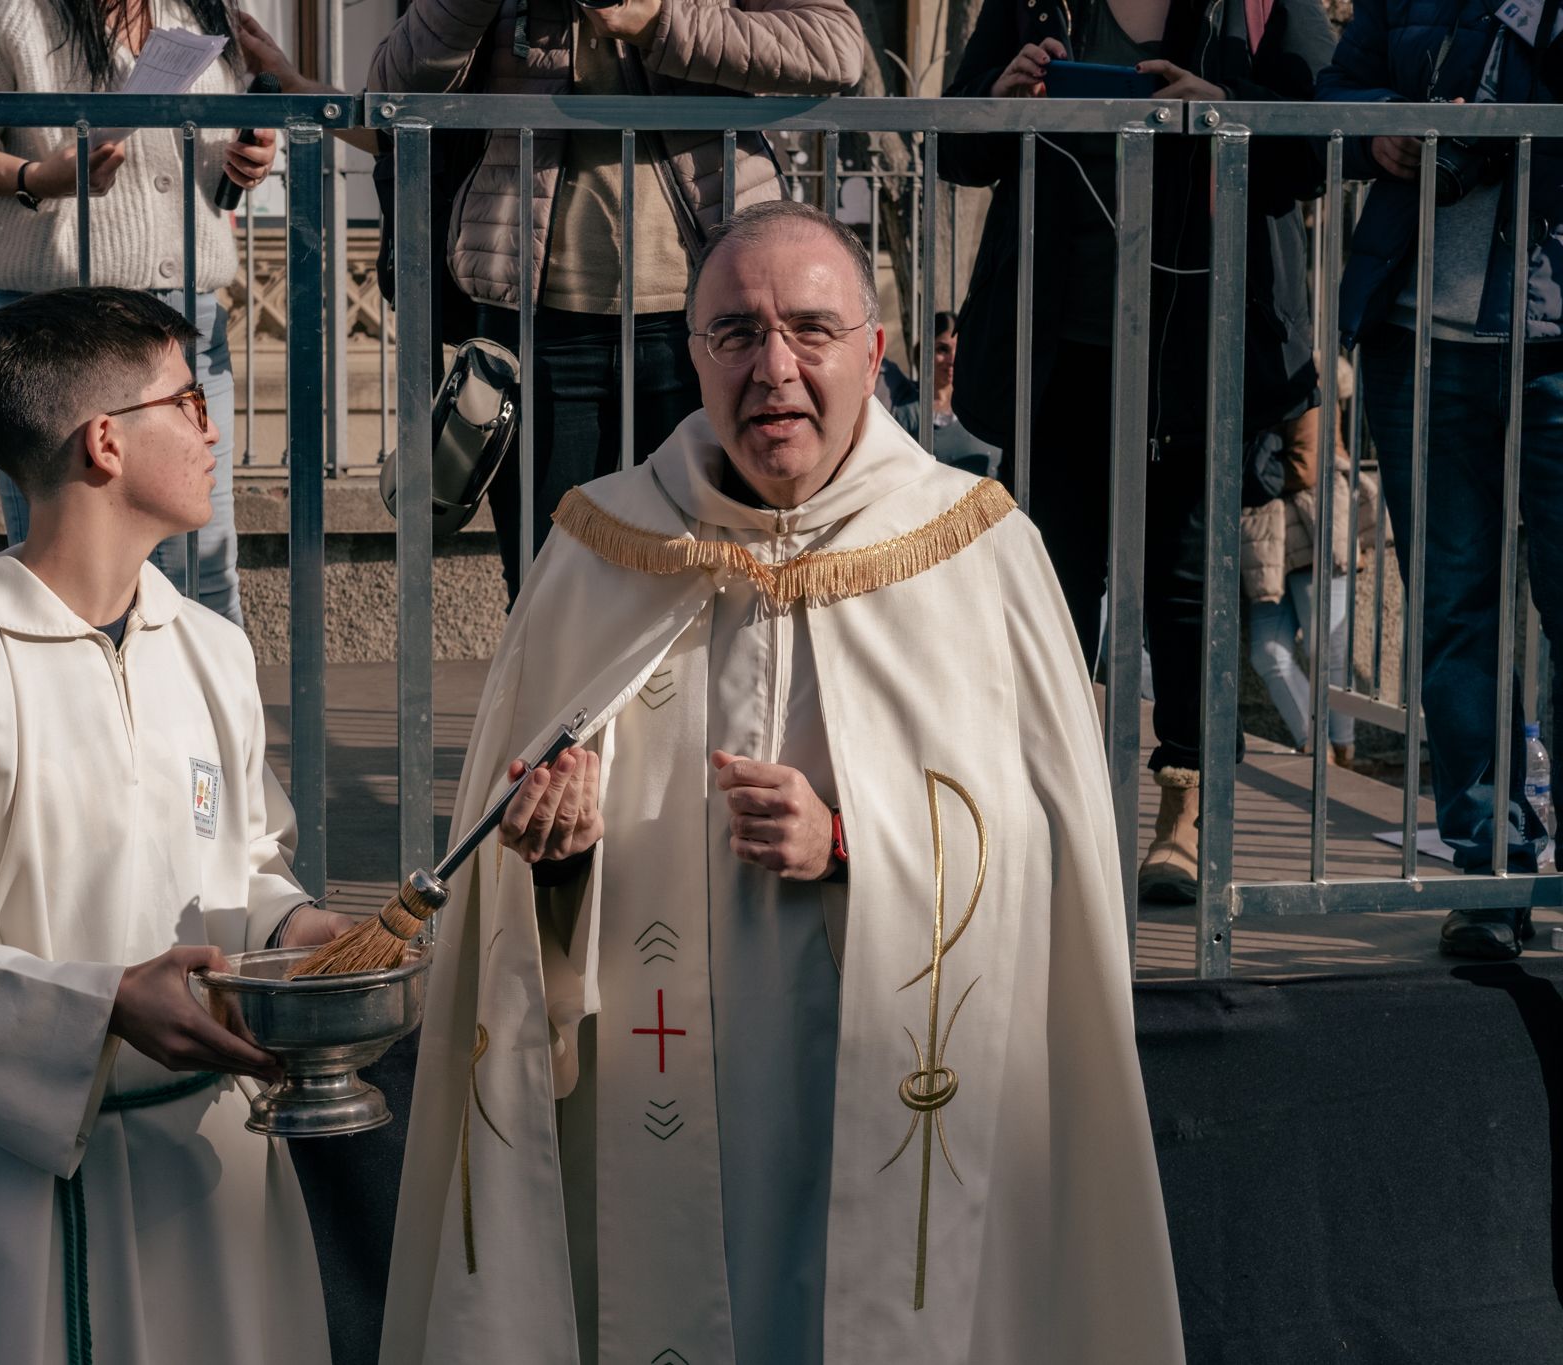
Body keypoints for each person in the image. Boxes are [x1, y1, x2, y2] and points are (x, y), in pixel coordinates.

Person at [381, 202, 1184, 1364]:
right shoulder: (599, 549)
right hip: (655, 1084)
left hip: (884, 1062)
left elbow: (1051, 856)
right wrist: (556, 852)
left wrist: (852, 839)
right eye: (735, 334)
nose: (774, 369)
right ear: (690, 353)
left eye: (810, 329)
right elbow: (511, 874)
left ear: (873, 349)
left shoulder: (973, 547)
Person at [0, 288, 353, 1363]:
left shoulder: (206, 648)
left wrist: (292, 933)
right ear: (105, 441)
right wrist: (102, 1005)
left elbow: (244, 853)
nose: (212, 429)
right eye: (189, 400)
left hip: (220, 1164)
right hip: (42, 1190)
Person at [940, 0, 1335, 903]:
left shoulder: (1262, 7)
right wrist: (1003, 103)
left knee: (1190, 593)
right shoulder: (1037, 1)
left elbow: (1314, 147)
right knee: (1047, 592)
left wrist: (1222, 108)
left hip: (1198, 347)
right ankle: (1039, 809)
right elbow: (956, 148)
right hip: (1057, 349)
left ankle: (1186, 813)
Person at [365, 0, 864, 602]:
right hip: (537, 323)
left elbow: (834, 47)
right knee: (551, 585)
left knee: (722, 580)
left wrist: (660, 22)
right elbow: (392, 87)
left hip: (714, 324)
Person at [0, 0, 277, 625]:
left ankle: (200, 723)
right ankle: (80, 719)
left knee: (201, 567)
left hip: (184, 324)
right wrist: (36, 177)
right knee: (74, 575)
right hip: (53, 327)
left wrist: (246, 158)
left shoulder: (203, 9)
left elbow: (206, 144)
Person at [1319, 0, 1562, 956]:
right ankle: (1492, 872)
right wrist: (1383, 127)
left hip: (1554, 341)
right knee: (1454, 610)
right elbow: (1330, 97)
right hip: (1418, 337)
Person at [1240, 408, 1375, 766]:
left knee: (1327, 649)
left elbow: (1307, 464)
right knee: (1267, 652)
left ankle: (1341, 751)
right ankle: (1316, 746)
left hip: (1315, 529)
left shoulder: (1308, 367)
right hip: (1266, 538)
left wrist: (1249, 469)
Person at [891, 311, 1005, 477]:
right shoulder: (908, 414)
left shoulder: (986, 405)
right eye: (942, 349)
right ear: (924, 352)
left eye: (960, 349)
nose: (952, 359)